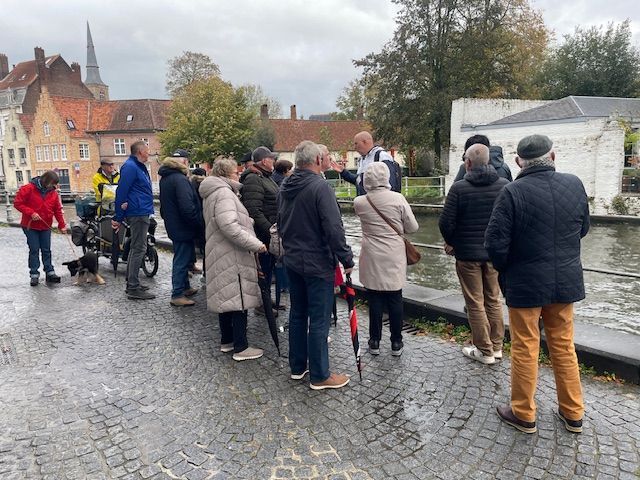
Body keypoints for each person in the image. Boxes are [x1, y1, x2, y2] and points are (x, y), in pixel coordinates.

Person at [485, 134, 590, 435]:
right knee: (563, 345)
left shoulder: (512, 192)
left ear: (518, 162)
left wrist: (507, 270)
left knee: (525, 346)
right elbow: (583, 228)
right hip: (565, 281)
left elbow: (494, 244)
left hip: (525, 283)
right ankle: (573, 412)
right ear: (552, 157)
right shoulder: (575, 184)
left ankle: (523, 412)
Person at [279, 140, 354, 390]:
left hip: (293, 259)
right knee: (320, 318)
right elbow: (334, 228)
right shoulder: (320, 187)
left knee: (298, 313)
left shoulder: (286, 185)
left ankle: (298, 366)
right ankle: (320, 375)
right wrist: (346, 259)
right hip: (316, 261)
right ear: (318, 160)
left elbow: (280, 221)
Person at [439, 143, 508, 365]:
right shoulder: (505, 186)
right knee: (494, 300)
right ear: (488, 161)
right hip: (494, 255)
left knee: (475, 302)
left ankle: (484, 350)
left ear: (467, 163)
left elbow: (446, 223)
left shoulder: (459, 188)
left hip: (468, 255)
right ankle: (497, 347)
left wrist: (452, 242)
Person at [199, 156, 268, 361]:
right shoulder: (225, 193)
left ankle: (227, 341)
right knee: (239, 298)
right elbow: (229, 225)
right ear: (227, 174)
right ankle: (241, 347)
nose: (239, 175)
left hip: (219, 251)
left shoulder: (212, 192)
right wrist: (255, 244)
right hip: (233, 253)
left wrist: (247, 220)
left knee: (226, 297)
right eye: (236, 172)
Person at [354, 162, 419, 356]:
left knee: (374, 298)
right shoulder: (398, 199)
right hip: (393, 255)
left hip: (371, 255)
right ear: (386, 177)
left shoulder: (359, 202)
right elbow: (413, 227)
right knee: (395, 298)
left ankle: (374, 341)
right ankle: (396, 342)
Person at [158, 149, 204, 307]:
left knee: (182, 256)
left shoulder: (166, 178)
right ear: (184, 162)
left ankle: (185, 287)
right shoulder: (180, 179)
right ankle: (177, 294)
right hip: (183, 226)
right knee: (182, 259)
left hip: (174, 224)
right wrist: (197, 222)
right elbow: (187, 207)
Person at [112, 141, 155, 300]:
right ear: (140, 152)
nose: (149, 153)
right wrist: (118, 217)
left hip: (140, 209)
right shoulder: (131, 167)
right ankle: (133, 287)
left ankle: (132, 281)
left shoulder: (136, 166)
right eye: (147, 150)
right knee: (139, 248)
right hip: (138, 212)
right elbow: (122, 191)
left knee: (136, 247)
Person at [240, 146, 279, 314]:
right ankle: (262, 303)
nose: (274, 161)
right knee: (263, 268)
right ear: (264, 161)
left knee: (268, 268)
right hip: (263, 234)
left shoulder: (264, 177)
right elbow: (254, 210)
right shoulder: (254, 179)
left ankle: (266, 299)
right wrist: (270, 229)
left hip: (268, 232)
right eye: (272, 158)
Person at [14, 170, 67, 286]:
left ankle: (50, 271)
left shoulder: (53, 193)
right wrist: (31, 212)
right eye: (52, 183)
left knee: (46, 249)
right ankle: (34, 274)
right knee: (34, 249)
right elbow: (17, 203)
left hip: (45, 225)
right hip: (30, 225)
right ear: (45, 181)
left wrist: (62, 225)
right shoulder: (28, 188)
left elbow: (57, 210)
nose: (54, 186)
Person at [330, 131, 400, 195]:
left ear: (365, 142)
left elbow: (391, 183)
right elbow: (359, 181)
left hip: (379, 202)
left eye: (356, 144)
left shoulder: (381, 156)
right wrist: (343, 172)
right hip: (366, 202)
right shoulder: (363, 159)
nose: (354, 147)